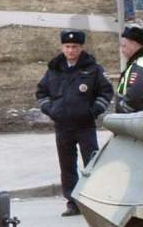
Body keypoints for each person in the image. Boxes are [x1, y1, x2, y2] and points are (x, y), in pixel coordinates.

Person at [36, 29, 110, 216]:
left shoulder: (92, 68)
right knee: (67, 165)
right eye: (67, 47)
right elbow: (41, 92)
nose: (70, 50)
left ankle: (94, 201)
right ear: (62, 47)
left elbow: (106, 92)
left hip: (85, 125)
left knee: (91, 163)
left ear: (81, 47)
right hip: (63, 126)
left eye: (74, 47)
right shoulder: (54, 68)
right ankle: (73, 202)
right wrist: (50, 109)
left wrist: (93, 111)